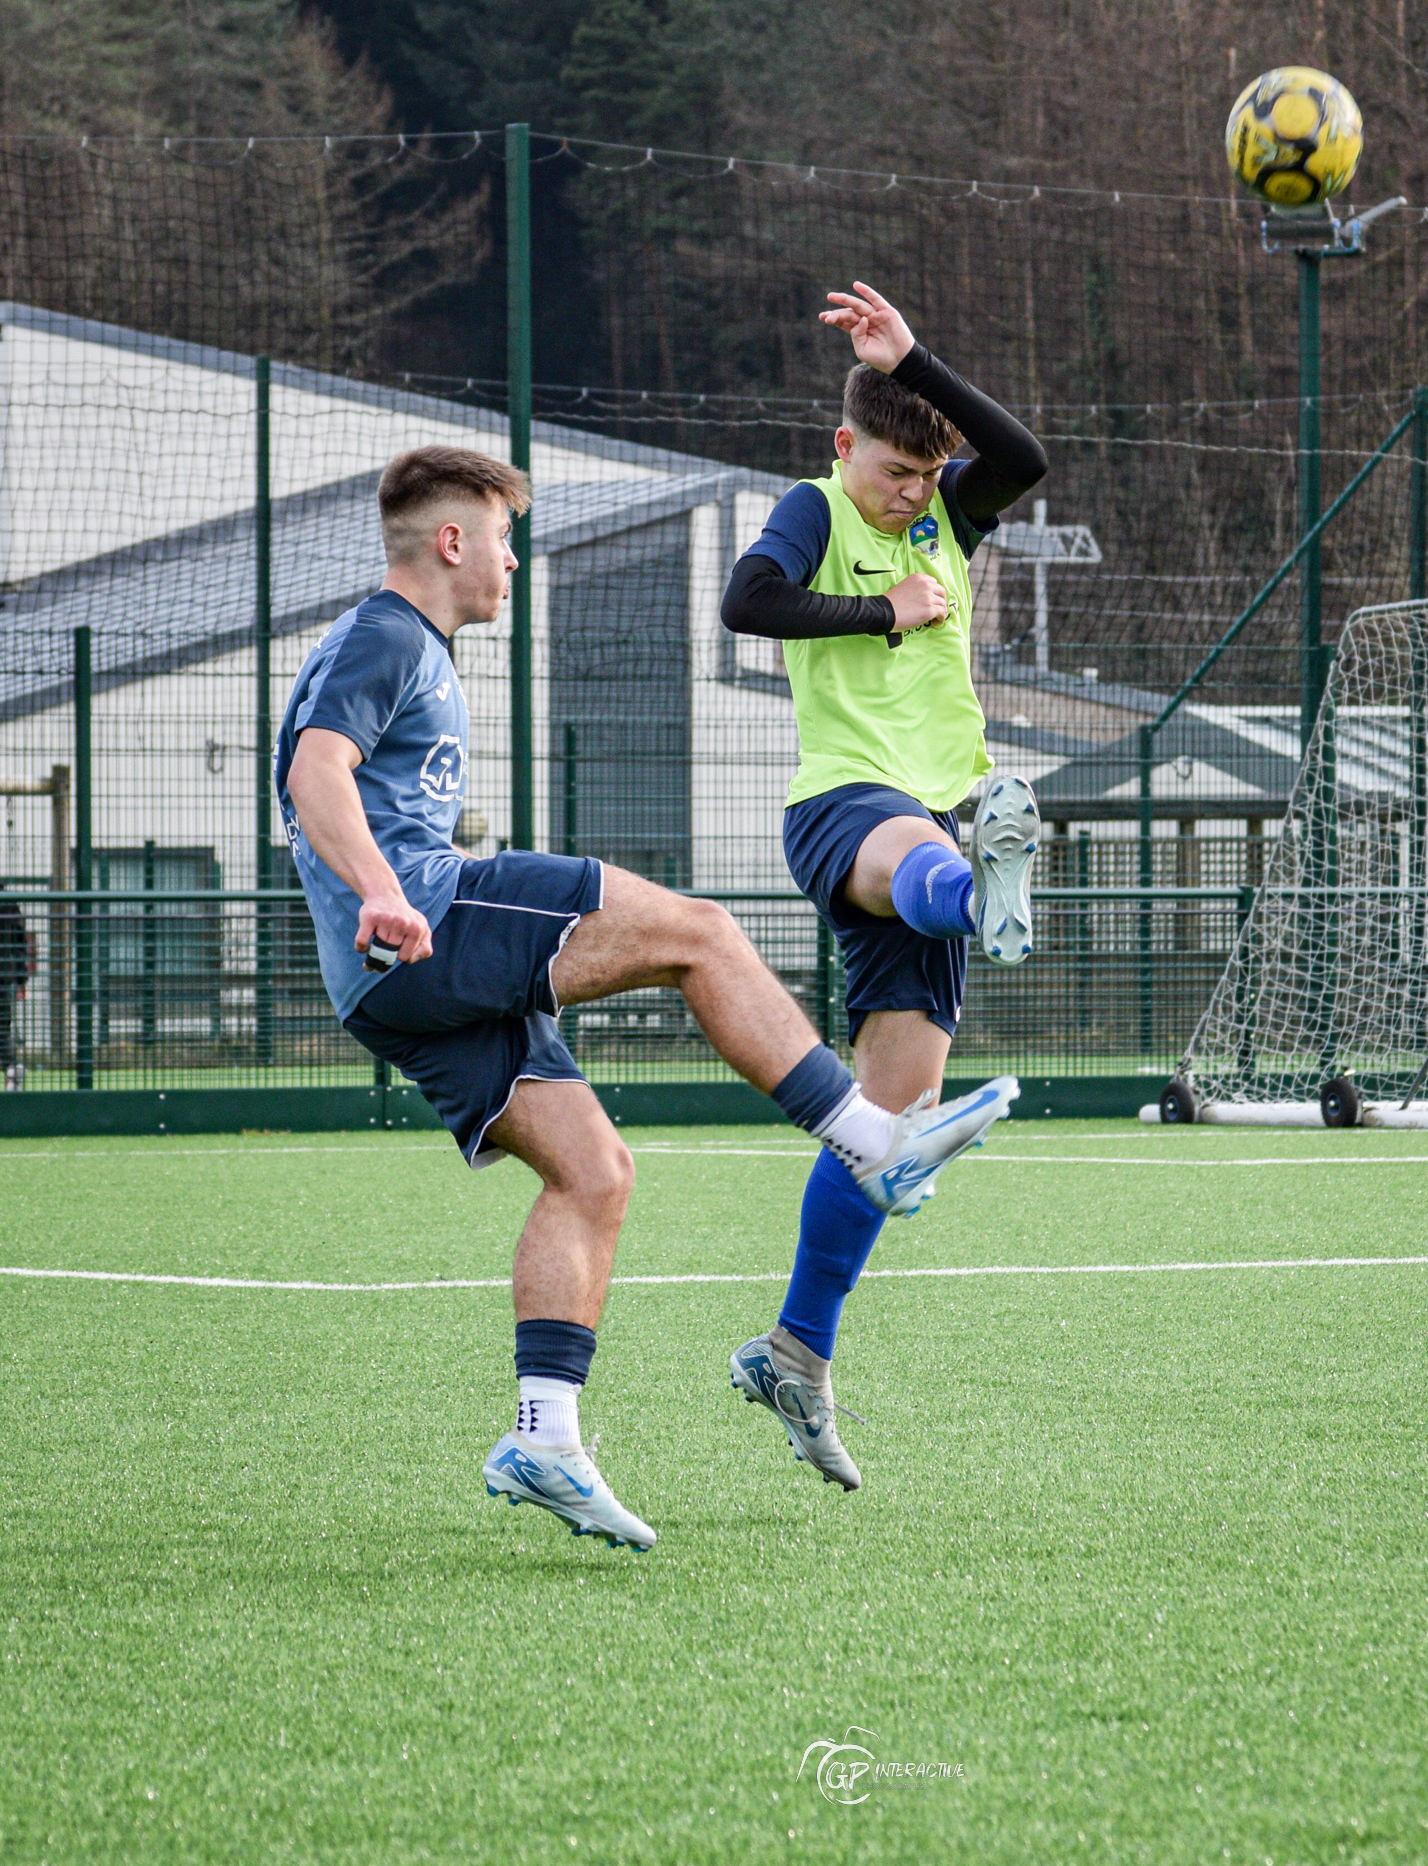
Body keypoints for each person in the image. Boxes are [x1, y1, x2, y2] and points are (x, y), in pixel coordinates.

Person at [276, 445, 1019, 1552]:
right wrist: (384, 890)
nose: (512, 560)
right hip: (424, 917)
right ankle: (871, 1142)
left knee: (594, 1172)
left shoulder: (407, 647)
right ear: (451, 541)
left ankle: (544, 1436)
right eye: (503, 538)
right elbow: (314, 772)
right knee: (698, 934)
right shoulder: (386, 634)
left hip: (380, 984)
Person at [719, 283, 1048, 1490]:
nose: (912, 491)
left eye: (926, 474)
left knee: (888, 1130)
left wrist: (915, 357)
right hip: (841, 807)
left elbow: (1022, 457)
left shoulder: (945, 518)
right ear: (843, 444)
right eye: (895, 469)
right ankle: (978, 896)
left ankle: (794, 1354)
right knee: (916, 846)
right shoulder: (814, 508)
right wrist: (884, 611)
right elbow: (745, 601)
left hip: (936, 816)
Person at [0, 898, 28, 1089]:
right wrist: (20, 979)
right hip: (3, 972)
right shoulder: (9, 903)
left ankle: (12, 1067)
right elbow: (19, 946)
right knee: (2, 1025)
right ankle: (12, 1067)